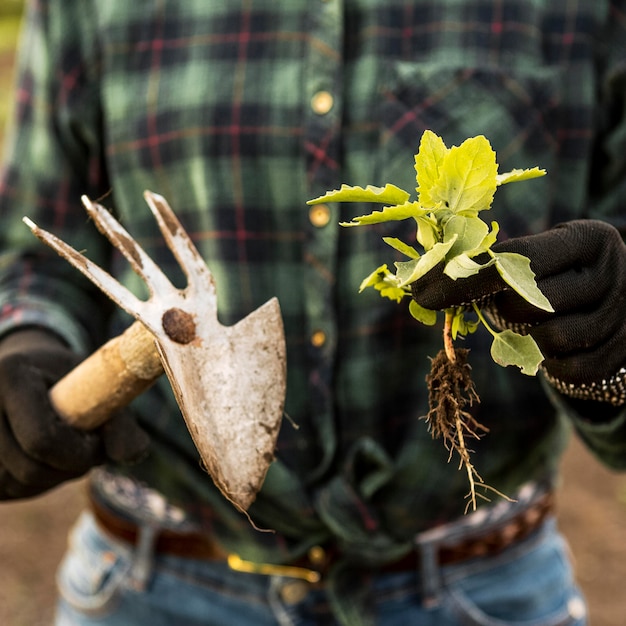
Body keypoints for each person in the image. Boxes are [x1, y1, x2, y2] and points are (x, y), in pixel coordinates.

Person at [0, 1, 625, 624]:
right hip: (152, 583)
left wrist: (611, 350)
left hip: (481, 584)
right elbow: (38, 252)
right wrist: (26, 340)